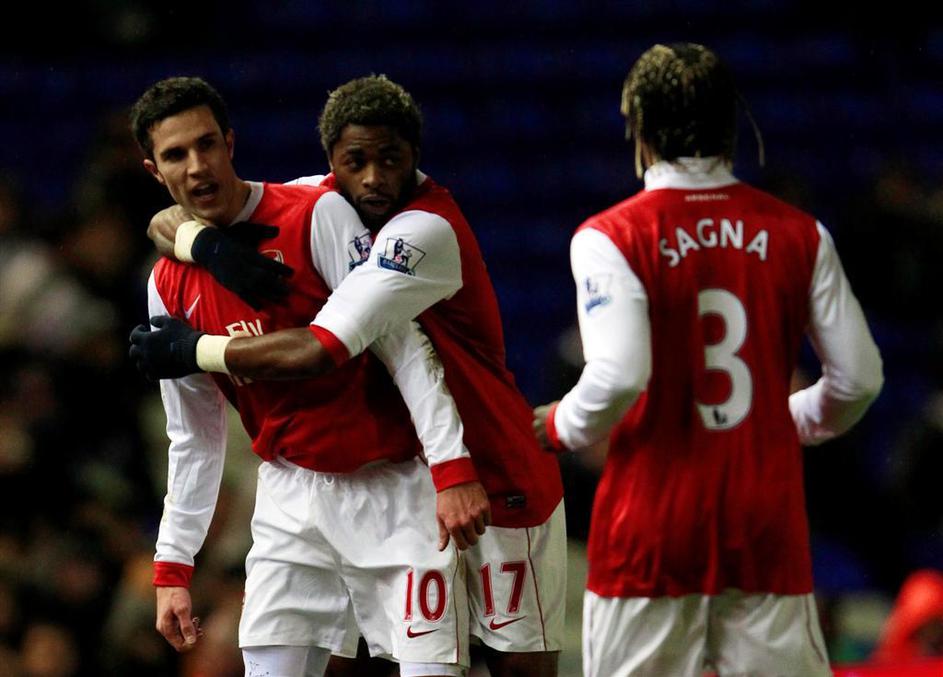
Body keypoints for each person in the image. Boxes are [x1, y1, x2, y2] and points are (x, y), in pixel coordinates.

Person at [136, 74, 567, 676]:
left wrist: (196, 350)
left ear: (230, 142)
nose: (372, 178)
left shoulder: (405, 227)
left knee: (512, 666)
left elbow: (354, 348)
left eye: (207, 145)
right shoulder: (195, 265)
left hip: (452, 470)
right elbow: (192, 435)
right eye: (176, 155)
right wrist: (173, 563)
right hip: (293, 491)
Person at [532, 43, 884, 677]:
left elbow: (617, 375)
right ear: (731, 126)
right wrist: (786, 420)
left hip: (649, 528)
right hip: (764, 523)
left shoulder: (611, 236)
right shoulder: (801, 233)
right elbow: (858, 382)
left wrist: (559, 424)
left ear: (640, 128)